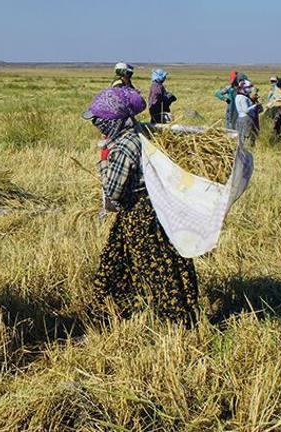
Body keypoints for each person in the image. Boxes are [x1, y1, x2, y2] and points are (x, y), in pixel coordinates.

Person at [83, 87, 198, 322]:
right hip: (154, 210)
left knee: (156, 269)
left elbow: (113, 190)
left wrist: (103, 161)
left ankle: (176, 320)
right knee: (117, 262)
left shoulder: (125, 147)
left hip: (140, 216)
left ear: (113, 122)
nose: (97, 125)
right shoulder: (141, 134)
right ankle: (107, 313)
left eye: (101, 121)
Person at [235, 80, 261, 146]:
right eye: (248, 87)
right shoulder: (243, 98)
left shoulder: (237, 97)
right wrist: (255, 105)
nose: (250, 89)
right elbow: (246, 110)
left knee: (241, 136)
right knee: (248, 136)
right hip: (246, 119)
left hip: (239, 118)